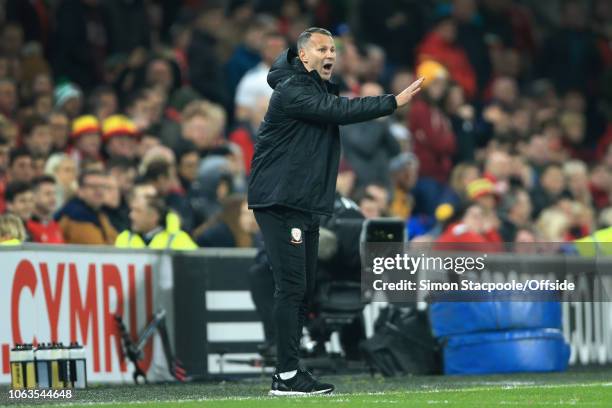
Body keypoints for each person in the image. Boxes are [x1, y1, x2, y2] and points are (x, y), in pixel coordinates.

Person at [247, 27, 423, 396]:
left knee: (303, 287)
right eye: (322, 48)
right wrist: (391, 102)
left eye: (333, 49)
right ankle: (286, 372)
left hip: (304, 201)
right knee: (292, 288)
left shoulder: (314, 86)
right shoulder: (293, 89)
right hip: (281, 200)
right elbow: (337, 111)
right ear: (304, 56)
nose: (330, 54)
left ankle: (291, 369)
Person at [55, 169, 117, 245]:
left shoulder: (99, 213)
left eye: (103, 186)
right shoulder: (75, 216)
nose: (99, 191)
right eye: (93, 187)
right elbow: (96, 248)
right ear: (80, 190)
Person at [115, 194, 196, 250]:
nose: (131, 215)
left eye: (137, 211)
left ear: (153, 216)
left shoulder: (179, 240)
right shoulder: (124, 238)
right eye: (132, 210)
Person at [26, 175, 64, 244]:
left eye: (54, 193)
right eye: (47, 194)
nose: (53, 198)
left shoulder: (56, 225)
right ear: (33, 196)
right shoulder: (27, 227)